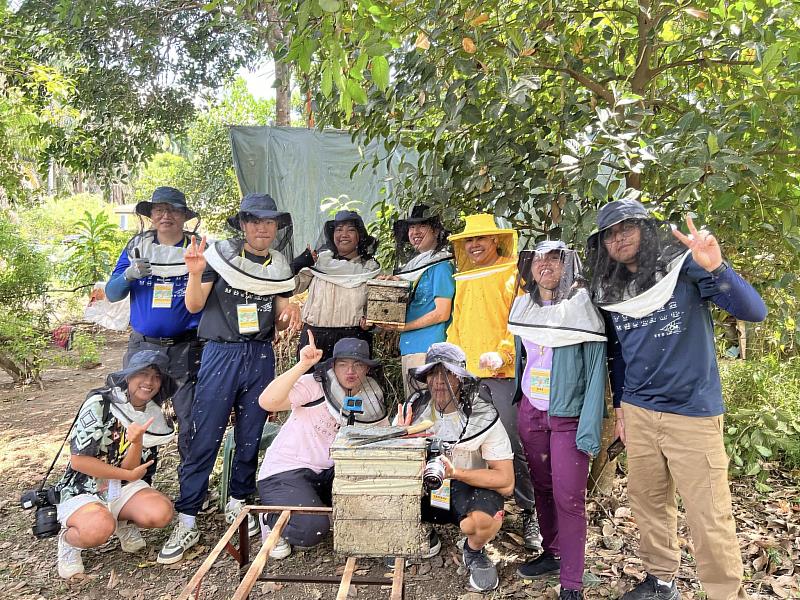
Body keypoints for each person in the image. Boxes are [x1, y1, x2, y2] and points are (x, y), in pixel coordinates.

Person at [586, 199, 767, 600]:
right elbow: (617, 352)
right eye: (610, 234)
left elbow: (754, 311)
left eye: (626, 228)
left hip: (692, 412)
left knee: (709, 514)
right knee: (648, 503)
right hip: (638, 411)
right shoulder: (613, 288)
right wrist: (621, 408)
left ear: (645, 229)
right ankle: (661, 580)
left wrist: (716, 267)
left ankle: (724, 592)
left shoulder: (682, 268)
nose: (619, 239)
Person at [158, 193, 301, 565]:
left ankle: (238, 501)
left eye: (269, 222)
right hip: (221, 352)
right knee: (205, 432)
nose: (262, 228)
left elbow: (280, 304)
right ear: (242, 224)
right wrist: (193, 272)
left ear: (276, 227)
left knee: (251, 431)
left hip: (261, 355)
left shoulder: (279, 265)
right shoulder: (218, 258)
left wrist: (293, 310)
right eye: (255, 221)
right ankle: (187, 517)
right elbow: (193, 305)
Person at [508, 241, 607, 600]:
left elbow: (597, 374)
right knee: (542, 488)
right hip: (531, 411)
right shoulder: (525, 307)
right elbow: (526, 357)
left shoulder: (583, 309)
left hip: (568, 415)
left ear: (569, 265)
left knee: (569, 496)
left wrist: (590, 427)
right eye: (538, 259)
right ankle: (551, 553)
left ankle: (572, 582)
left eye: (554, 258)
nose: (544, 265)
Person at [446, 213, 540, 550]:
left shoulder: (514, 273)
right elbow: (456, 327)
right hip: (465, 377)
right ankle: (478, 512)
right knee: (466, 447)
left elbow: (520, 323)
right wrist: (448, 360)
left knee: (516, 445)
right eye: (469, 240)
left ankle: (533, 513)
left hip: (502, 375)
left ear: (495, 241)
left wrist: (503, 355)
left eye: (480, 239)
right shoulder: (465, 278)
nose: (473, 245)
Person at [256, 334, 388, 558]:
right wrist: (303, 365)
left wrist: (402, 430)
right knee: (312, 530)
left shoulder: (371, 396)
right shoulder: (314, 385)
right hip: (286, 471)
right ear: (333, 366)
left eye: (358, 364)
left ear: (367, 368)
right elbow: (267, 401)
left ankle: (314, 507)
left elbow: (381, 439)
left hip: (330, 472)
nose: (350, 371)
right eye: (344, 364)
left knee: (372, 498)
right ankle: (270, 517)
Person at [397, 342, 514, 592]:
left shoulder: (482, 415)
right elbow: (392, 467)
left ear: (460, 378)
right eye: (434, 372)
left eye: (448, 373)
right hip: (424, 489)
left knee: (484, 520)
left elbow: (506, 480)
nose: (440, 381)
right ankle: (420, 533)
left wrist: (456, 472)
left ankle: (473, 551)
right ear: (426, 376)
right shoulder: (414, 408)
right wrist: (400, 438)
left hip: (466, 488)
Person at [54, 350, 176, 579]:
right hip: (85, 486)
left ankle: (123, 522)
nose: (149, 382)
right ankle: (69, 542)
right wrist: (126, 475)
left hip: (123, 484)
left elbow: (132, 470)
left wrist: (137, 441)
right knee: (98, 527)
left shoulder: (153, 413)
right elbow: (79, 461)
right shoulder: (100, 403)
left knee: (160, 513)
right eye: (142, 373)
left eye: (156, 376)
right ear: (128, 376)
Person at [105, 186, 203, 468]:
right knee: (133, 413)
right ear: (151, 215)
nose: (166, 215)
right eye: (160, 209)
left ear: (184, 216)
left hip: (187, 347)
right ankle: (127, 478)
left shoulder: (197, 249)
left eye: (173, 209)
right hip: (143, 348)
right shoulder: (137, 247)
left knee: (190, 418)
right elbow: (112, 293)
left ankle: (192, 488)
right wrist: (128, 274)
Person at [383, 204, 455, 397]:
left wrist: (404, 327)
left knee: (429, 412)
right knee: (415, 412)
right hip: (411, 348)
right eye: (411, 227)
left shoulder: (440, 266)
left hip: (429, 348)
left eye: (421, 226)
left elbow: (442, 312)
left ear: (436, 230)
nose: (414, 232)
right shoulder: (415, 267)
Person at [291, 209, 380, 362]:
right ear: (333, 236)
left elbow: (379, 310)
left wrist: (370, 324)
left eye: (350, 230)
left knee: (351, 386)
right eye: (339, 230)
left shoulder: (370, 269)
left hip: (353, 340)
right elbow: (290, 286)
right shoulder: (319, 263)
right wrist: (299, 263)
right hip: (314, 339)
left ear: (359, 236)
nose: (344, 234)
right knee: (310, 385)